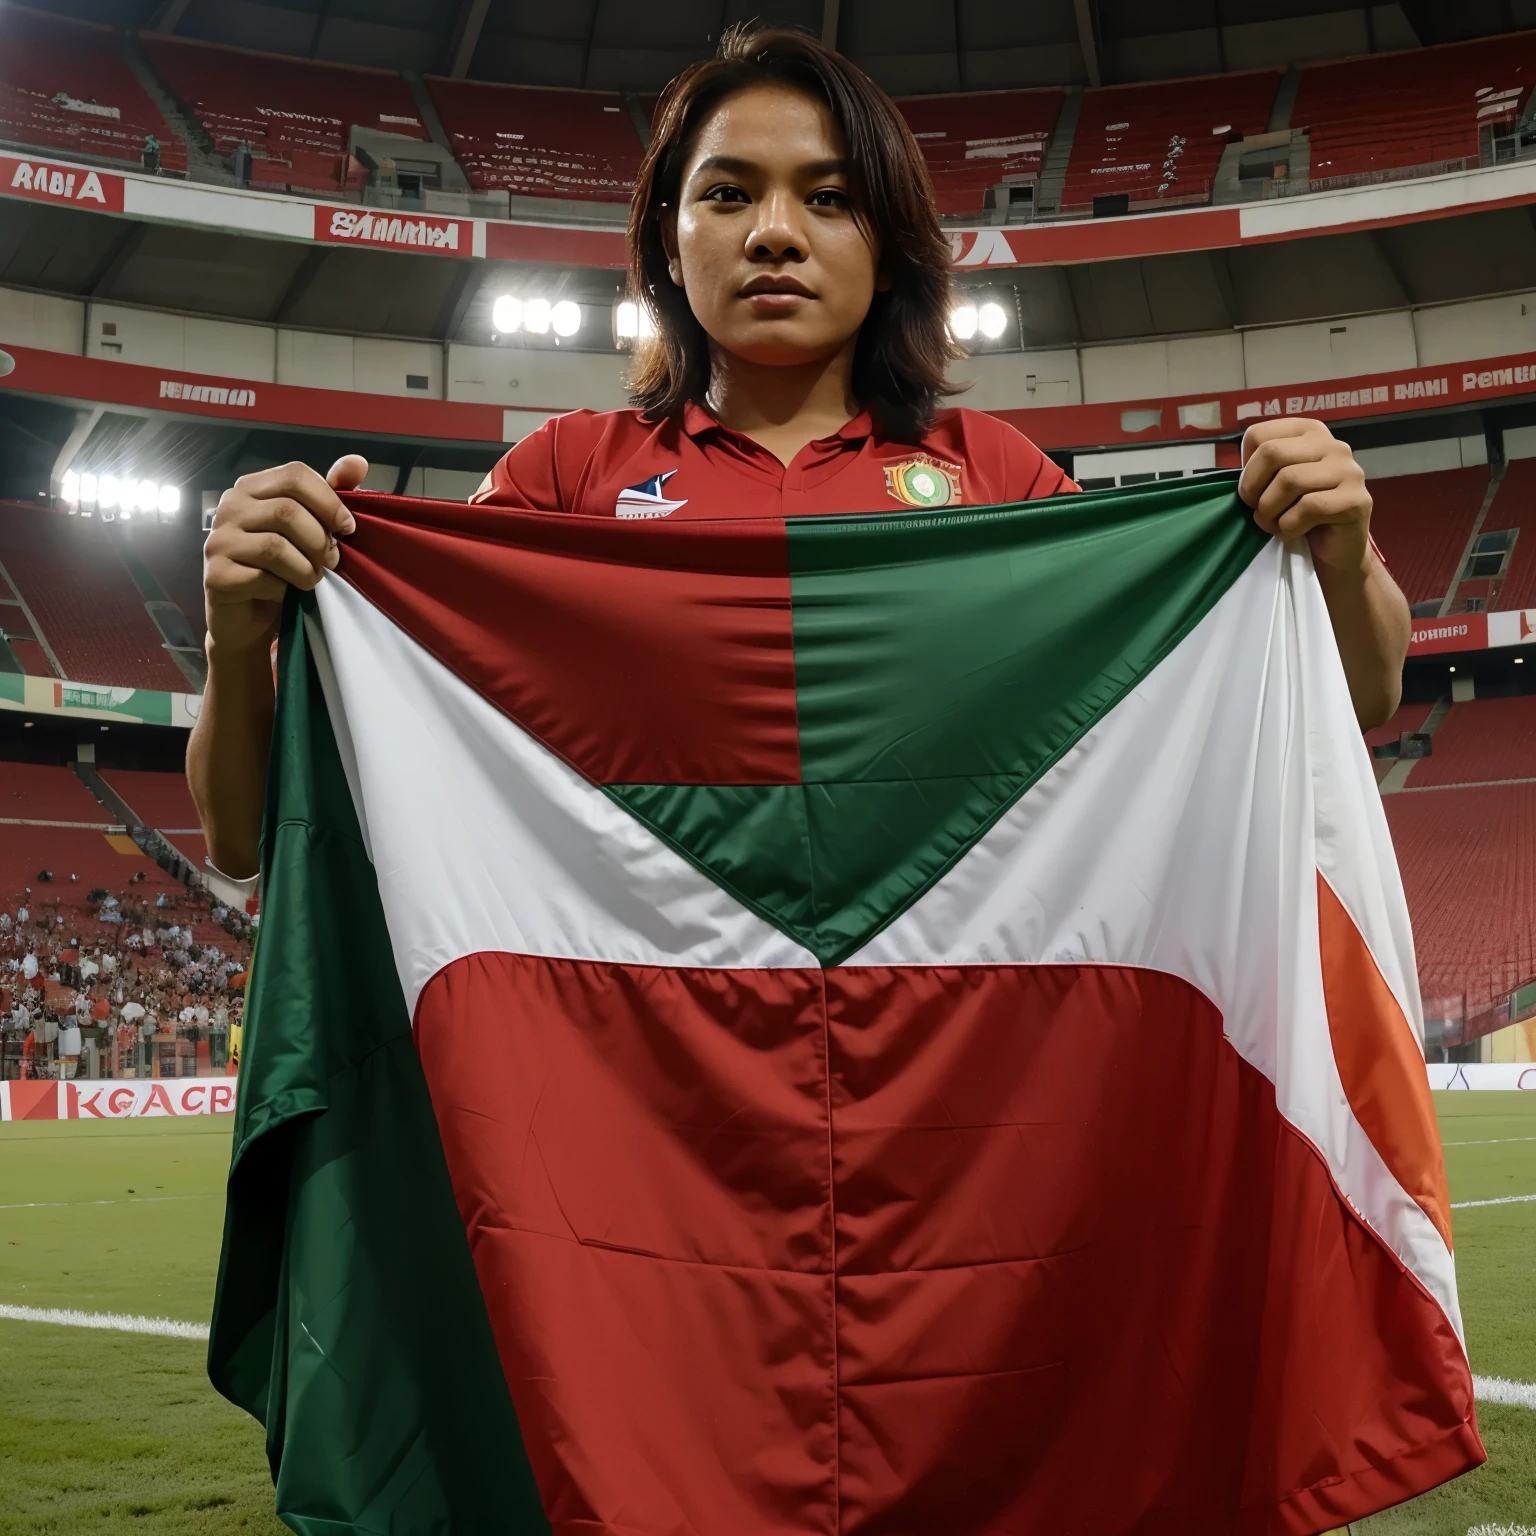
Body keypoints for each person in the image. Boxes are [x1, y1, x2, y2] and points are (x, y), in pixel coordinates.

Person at [189, 27, 1409, 866]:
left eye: (828, 197)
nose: (775, 232)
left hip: (941, 1076)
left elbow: (1359, 696)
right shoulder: (564, 474)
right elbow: (252, 841)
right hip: (646, 1090)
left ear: (890, 246)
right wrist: (238, 638)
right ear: (667, 244)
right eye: (727, 194)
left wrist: (1341, 557)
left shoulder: (996, 475)